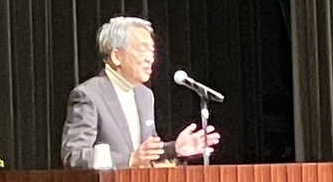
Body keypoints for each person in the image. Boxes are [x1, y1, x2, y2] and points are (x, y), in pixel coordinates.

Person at [61, 16, 220, 169]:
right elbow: (74, 155)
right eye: (143, 50)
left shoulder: (145, 95)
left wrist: (175, 149)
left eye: (152, 51)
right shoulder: (89, 95)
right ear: (117, 57)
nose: (151, 59)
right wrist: (129, 160)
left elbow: (146, 153)